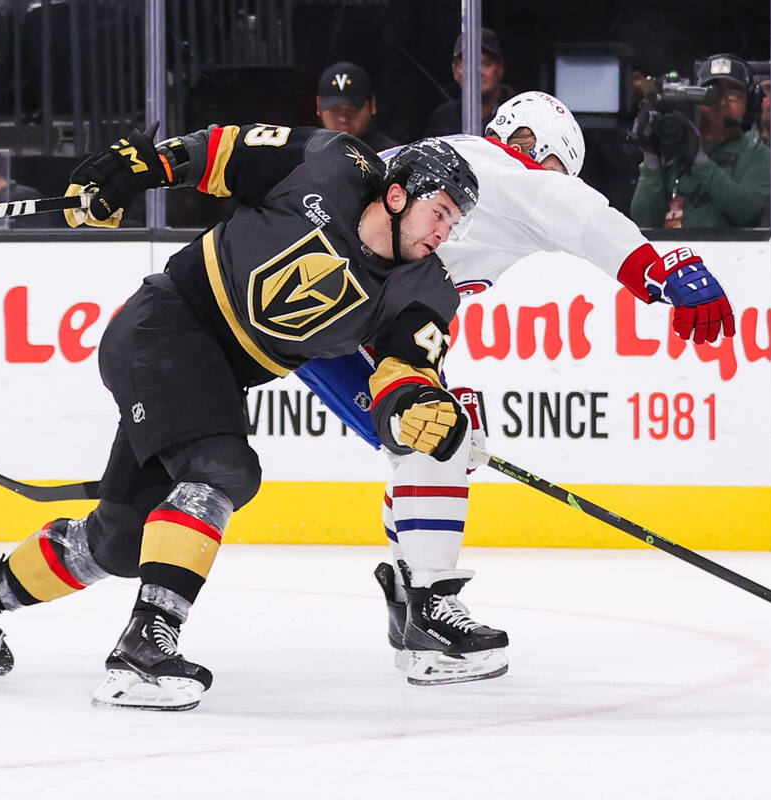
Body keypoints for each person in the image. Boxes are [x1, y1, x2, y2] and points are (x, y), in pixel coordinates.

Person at [0, 124, 480, 711]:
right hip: (163, 324)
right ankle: (145, 652)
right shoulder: (331, 164)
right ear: (398, 194)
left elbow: (405, 368)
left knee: (124, 540)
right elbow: (218, 152)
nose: (444, 231)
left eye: (454, 222)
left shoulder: (427, 288)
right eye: (440, 212)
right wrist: (131, 169)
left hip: (214, 377)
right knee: (223, 469)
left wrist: (416, 405)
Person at [296, 91, 736, 686]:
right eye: (557, 170)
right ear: (539, 151)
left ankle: (410, 598)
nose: (553, 184)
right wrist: (661, 272)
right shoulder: (496, 168)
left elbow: (405, 304)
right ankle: (426, 610)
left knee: (427, 434)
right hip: (334, 308)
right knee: (438, 434)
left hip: (312, 306)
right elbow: (576, 213)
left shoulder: (447, 171)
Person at [630, 54, 771, 229]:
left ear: (750, 104)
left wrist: (699, 159)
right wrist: (651, 160)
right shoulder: (673, 149)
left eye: (734, 94)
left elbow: (747, 211)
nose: (722, 102)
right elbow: (643, 222)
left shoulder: (760, 157)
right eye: (710, 93)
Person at [424, 28, 514, 137]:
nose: (476, 72)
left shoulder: (519, 115)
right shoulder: (443, 119)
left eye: (484, 63)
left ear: (500, 67)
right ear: (455, 71)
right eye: (467, 65)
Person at [316, 60, 398, 151]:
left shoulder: (392, 158)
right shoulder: (306, 159)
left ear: (372, 105)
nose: (343, 118)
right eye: (334, 110)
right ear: (318, 105)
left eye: (352, 110)